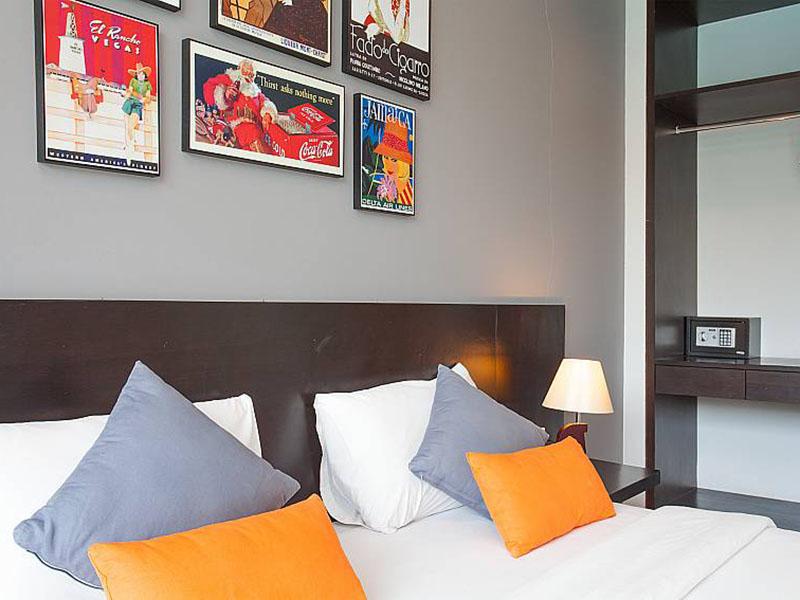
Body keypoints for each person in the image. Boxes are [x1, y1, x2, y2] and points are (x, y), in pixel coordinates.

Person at [202, 59, 277, 153]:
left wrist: (267, 114)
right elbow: (208, 88)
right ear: (239, 69)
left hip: (255, 130)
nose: (248, 77)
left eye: (252, 75)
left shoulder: (255, 91)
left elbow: (266, 102)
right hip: (233, 126)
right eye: (246, 72)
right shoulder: (228, 79)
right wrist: (224, 93)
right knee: (252, 132)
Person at [373, 117, 414, 207]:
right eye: (385, 157)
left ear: (403, 163)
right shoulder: (383, 184)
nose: (389, 165)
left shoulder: (409, 191)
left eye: (394, 160)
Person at [121, 63, 153, 162]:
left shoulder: (147, 85)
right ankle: (129, 144)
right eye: (139, 74)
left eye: (142, 74)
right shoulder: (133, 81)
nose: (140, 76)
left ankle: (130, 145)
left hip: (137, 105)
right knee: (127, 125)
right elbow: (130, 91)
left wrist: (143, 99)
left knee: (131, 125)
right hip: (129, 103)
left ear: (145, 75)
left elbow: (148, 97)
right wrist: (126, 94)